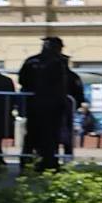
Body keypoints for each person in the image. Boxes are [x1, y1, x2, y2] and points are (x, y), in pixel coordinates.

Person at [18, 36, 78, 172]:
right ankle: (48, 164)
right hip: (52, 105)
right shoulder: (57, 62)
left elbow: (23, 80)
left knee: (32, 134)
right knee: (50, 136)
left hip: (34, 104)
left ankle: (26, 163)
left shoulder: (31, 61)